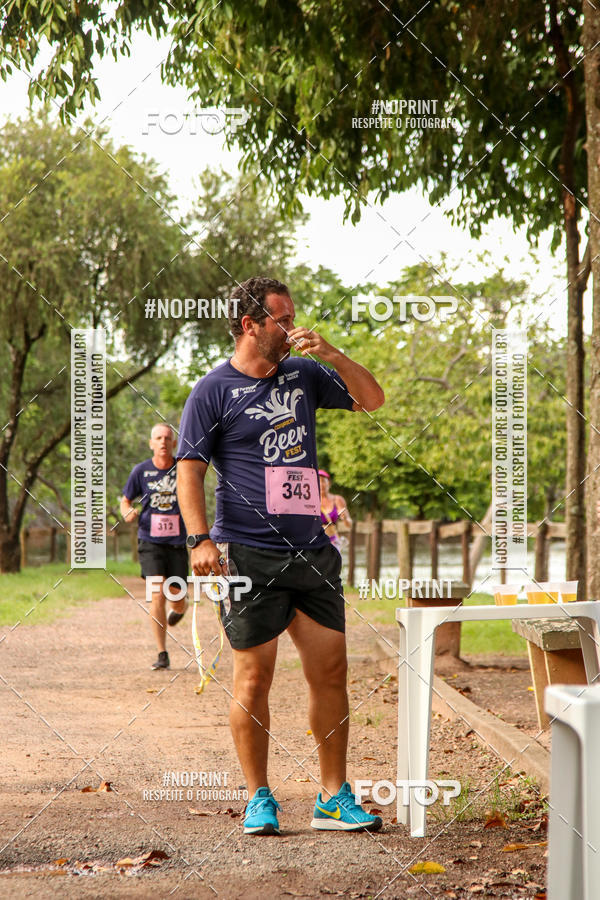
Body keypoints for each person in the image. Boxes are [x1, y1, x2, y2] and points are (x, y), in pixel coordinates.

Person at [176, 275, 385, 836]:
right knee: (252, 680)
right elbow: (189, 474)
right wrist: (199, 540)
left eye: (294, 318)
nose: (295, 327)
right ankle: (258, 797)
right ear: (251, 325)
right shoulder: (212, 392)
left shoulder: (306, 373)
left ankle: (333, 796)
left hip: (313, 551)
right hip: (248, 554)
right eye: (283, 320)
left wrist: (335, 354)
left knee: (332, 672)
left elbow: (373, 399)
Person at [120, 424, 189, 670]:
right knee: (157, 592)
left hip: (177, 541)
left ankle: (181, 607)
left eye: (167, 438)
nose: (162, 442)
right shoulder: (141, 471)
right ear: (151, 443)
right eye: (158, 438)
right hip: (150, 540)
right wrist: (127, 511)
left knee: (177, 595)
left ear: (173, 443)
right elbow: (126, 499)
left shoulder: (183, 468)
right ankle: (162, 653)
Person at [319, 469, 352, 555]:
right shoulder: (311, 500)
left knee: (332, 566)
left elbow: (349, 524)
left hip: (333, 541)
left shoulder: (337, 500)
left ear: (328, 483)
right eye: (318, 482)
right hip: (316, 541)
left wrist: (344, 518)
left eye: (323, 481)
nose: (321, 485)